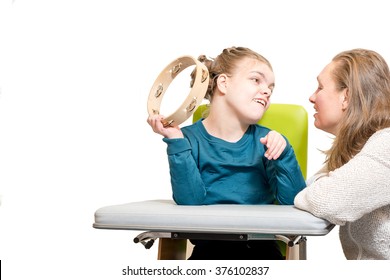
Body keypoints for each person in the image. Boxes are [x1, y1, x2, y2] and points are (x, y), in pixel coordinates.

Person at [148, 46, 306, 260]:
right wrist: (175, 141)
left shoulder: (266, 141)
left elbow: (292, 202)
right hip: (209, 252)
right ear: (223, 83)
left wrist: (284, 152)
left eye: (271, 87)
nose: (267, 91)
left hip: (262, 251)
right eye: (256, 80)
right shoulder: (186, 140)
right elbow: (190, 201)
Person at [294, 48, 390, 260]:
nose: (312, 97)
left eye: (320, 87)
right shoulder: (363, 150)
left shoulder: (386, 145)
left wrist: (321, 186)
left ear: (346, 96)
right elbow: (313, 187)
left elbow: (325, 200)